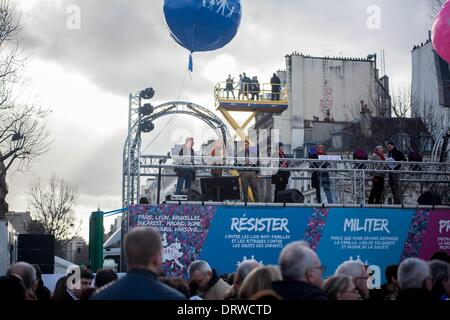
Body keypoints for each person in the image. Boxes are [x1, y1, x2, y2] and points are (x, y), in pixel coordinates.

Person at [91, 227, 185, 300]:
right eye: (161, 253)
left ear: (128, 255)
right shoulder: (173, 297)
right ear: (156, 258)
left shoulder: (100, 296)